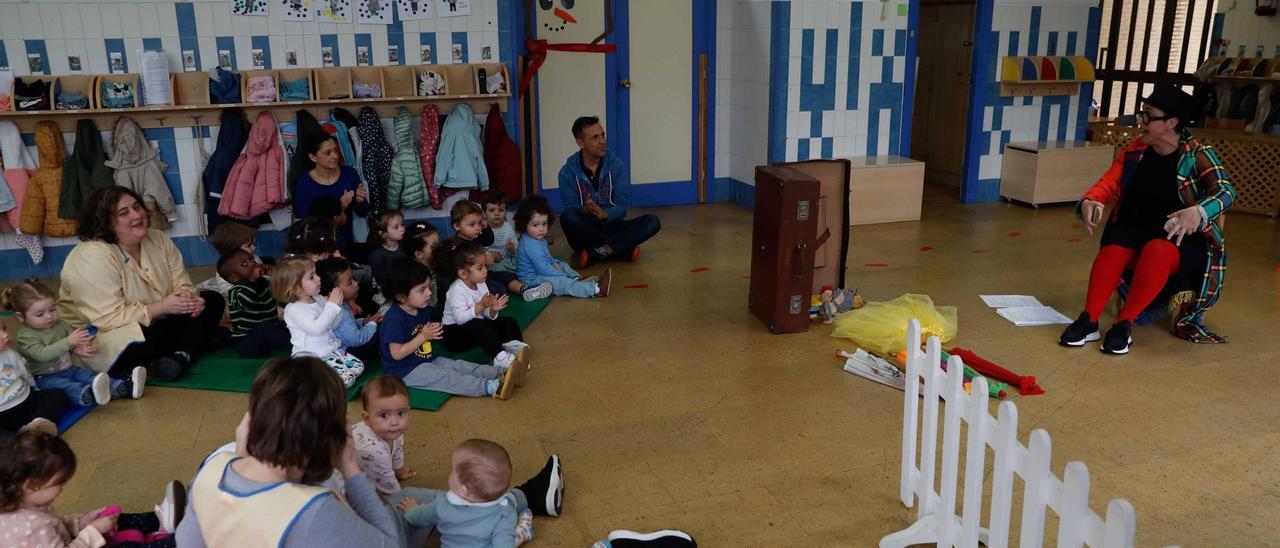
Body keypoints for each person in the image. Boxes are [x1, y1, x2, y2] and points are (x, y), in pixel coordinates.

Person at [1059, 85, 1235, 354]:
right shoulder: (1136, 150)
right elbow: (1109, 182)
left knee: (1157, 251)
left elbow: (1226, 191)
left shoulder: (1197, 154)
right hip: (1135, 228)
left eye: (1148, 116)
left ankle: (1124, 324)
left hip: (1179, 239)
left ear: (1172, 123)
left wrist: (1198, 211)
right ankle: (1089, 320)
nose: (1141, 121)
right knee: (1113, 248)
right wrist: (1091, 200)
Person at [174, 356, 401, 547]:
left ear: (251, 421)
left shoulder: (211, 470)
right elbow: (391, 544)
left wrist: (239, 456)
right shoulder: (314, 509)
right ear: (333, 437)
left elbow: (187, 541)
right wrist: (350, 467)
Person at [58, 187, 226, 381]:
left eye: (137, 207)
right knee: (147, 337)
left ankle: (178, 357)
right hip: (105, 336)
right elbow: (107, 320)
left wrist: (189, 298)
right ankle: (188, 348)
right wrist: (163, 307)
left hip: (160, 319)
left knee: (212, 300)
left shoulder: (158, 238)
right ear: (105, 222)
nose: (137, 214)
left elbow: (181, 281)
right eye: (124, 213)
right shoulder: (91, 256)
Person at [0, 430, 186, 548]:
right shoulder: (30, 528)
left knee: (113, 521)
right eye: (59, 483)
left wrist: (79, 524)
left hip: (69, 540)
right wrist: (92, 533)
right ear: (32, 485)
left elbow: (53, 525)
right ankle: (183, 541)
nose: (63, 487)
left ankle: (160, 521)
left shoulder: (24, 500)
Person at [379, 257, 523, 400]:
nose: (429, 293)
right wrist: (423, 337)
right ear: (401, 297)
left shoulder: (421, 309)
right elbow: (396, 354)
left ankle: (501, 372)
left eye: (428, 287)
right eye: (422, 290)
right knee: (448, 377)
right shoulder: (394, 319)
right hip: (405, 371)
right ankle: (490, 386)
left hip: (427, 359)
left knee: (460, 366)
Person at [6, 279, 134, 406]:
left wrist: (78, 348)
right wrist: (68, 342)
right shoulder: (25, 337)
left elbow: (72, 343)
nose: (49, 316)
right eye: (40, 314)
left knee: (89, 376)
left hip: (69, 369)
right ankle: (89, 394)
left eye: (52, 309)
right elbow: (41, 354)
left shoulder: (60, 325)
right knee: (66, 387)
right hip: (44, 377)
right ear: (20, 317)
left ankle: (121, 386)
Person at [558, 116, 661, 268]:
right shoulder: (566, 173)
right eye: (595, 137)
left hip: (611, 224)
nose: (602, 141)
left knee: (652, 221)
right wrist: (585, 211)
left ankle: (601, 251)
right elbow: (571, 208)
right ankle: (621, 249)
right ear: (581, 143)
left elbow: (622, 207)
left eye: (603, 135)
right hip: (584, 231)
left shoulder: (617, 166)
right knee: (568, 218)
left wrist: (606, 214)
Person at [395, 439, 533, 546]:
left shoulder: (444, 504)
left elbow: (422, 516)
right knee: (507, 538)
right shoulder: (504, 513)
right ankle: (522, 531)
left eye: (453, 472)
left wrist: (410, 511)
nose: (450, 474)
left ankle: (522, 532)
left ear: (464, 490)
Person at [272, 256, 365, 389]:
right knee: (347, 380)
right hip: (311, 357)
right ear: (297, 288)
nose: (318, 278)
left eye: (315, 273)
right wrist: (331, 307)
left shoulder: (319, 299)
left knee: (358, 367)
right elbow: (316, 329)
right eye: (311, 277)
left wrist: (336, 308)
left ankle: (321, 374)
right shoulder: (293, 310)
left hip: (330, 350)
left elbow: (332, 325)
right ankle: (307, 376)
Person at [439, 241, 533, 363]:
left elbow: (485, 315)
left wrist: (492, 310)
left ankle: (515, 349)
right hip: (454, 335)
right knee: (478, 324)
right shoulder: (456, 290)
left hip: (476, 327)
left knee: (509, 322)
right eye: (480, 268)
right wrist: (481, 305)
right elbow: (460, 319)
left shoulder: (481, 283)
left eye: (485, 266)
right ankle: (500, 357)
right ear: (462, 273)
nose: (485, 271)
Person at [448, 200, 552, 302]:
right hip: (472, 281)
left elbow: (489, 240)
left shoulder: (473, 236)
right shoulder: (458, 246)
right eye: (472, 224)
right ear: (457, 226)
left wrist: (486, 225)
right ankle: (477, 300)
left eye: (479, 223)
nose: (477, 227)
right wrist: (484, 260)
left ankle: (525, 290)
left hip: (483, 274)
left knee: (507, 275)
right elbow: (465, 268)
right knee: (498, 288)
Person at [516, 196, 611, 299]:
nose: (541, 229)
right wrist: (560, 274)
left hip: (540, 271)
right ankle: (596, 289)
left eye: (544, 224)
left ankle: (577, 279)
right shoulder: (530, 244)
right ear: (524, 224)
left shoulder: (536, 238)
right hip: (532, 280)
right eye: (535, 225)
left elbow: (546, 257)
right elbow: (543, 268)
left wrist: (554, 263)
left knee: (563, 265)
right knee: (562, 283)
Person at [294, 136, 369, 252]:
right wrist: (340, 207)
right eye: (328, 153)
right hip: (319, 246)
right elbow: (306, 221)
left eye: (336, 151)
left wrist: (360, 201)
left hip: (347, 241)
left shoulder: (349, 174)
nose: (334, 156)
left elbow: (363, 212)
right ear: (313, 157)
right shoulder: (304, 183)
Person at [352, 375, 414, 495]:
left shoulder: (391, 430)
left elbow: (397, 448)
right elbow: (388, 487)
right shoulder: (373, 450)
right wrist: (402, 500)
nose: (395, 422)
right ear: (367, 418)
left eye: (401, 413)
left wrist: (398, 470)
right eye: (384, 415)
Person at [221, 250, 290, 359]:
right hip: (247, 342)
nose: (253, 264)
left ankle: (305, 339)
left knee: (288, 324)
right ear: (234, 277)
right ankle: (296, 344)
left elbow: (282, 293)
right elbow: (247, 302)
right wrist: (252, 280)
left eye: (252, 260)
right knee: (264, 327)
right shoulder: (235, 291)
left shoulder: (264, 284)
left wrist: (275, 274)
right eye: (244, 264)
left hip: (267, 335)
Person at [0, 327, 65, 437]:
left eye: (4, 328)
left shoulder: (9, 353)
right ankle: (20, 439)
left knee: (57, 394)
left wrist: (34, 390)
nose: (6, 334)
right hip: (2, 415)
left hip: (26, 400)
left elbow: (25, 373)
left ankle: (37, 423)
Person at [316, 257, 381, 358]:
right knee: (382, 332)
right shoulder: (339, 312)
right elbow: (356, 339)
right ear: (334, 292)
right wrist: (372, 325)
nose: (356, 283)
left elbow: (347, 327)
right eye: (350, 282)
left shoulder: (337, 303)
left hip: (348, 344)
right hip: (348, 353)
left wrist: (362, 322)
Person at [479, 191, 518, 273]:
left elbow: (516, 247)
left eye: (501, 210)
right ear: (484, 213)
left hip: (508, 261)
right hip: (491, 263)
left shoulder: (508, 227)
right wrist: (490, 256)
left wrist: (512, 249)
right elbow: (478, 250)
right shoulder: (482, 229)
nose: (497, 214)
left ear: (506, 212)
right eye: (491, 210)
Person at [367, 210, 407, 288]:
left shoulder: (405, 246)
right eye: (396, 227)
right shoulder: (377, 256)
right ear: (383, 234)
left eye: (402, 224)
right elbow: (382, 282)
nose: (402, 229)